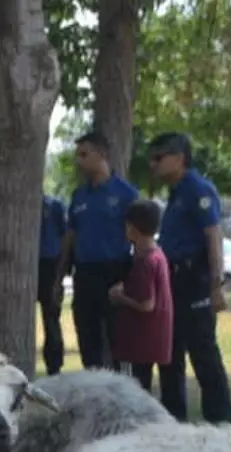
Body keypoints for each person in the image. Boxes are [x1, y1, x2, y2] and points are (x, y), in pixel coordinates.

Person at [148, 131, 231, 423]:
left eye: (159, 158)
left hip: (193, 280)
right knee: (169, 357)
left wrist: (216, 285)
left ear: (179, 158)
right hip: (172, 283)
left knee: (204, 356)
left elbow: (213, 236)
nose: (154, 164)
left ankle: (220, 423)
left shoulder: (198, 189)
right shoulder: (175, 193)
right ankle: (175, 423)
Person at [59, 131, 140, 370]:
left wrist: (134, 278)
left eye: (84, 154)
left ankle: (122, 389)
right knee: (87, 337)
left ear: (102, 154)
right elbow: (70, 236)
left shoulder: (126, 194)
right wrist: (59, 274)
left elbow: (139, 238)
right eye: (77, 155)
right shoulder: (79, 195)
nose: (79, 161)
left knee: (118, 340)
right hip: (85, 274)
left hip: (115, 272)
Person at [109, 199, 173, 392]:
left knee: (137, 385)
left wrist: (119, 297)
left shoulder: (146, 262)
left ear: (133, 228)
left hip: (143, 338)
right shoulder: (158, 254)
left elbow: (146, 304)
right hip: (156, 334)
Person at [38, 193, 67, 376]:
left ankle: (54, 365)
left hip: (49, 263)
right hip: (28, 262)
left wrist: (59, 274)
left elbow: (65, 237)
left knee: (51, 318)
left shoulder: (54, 205)